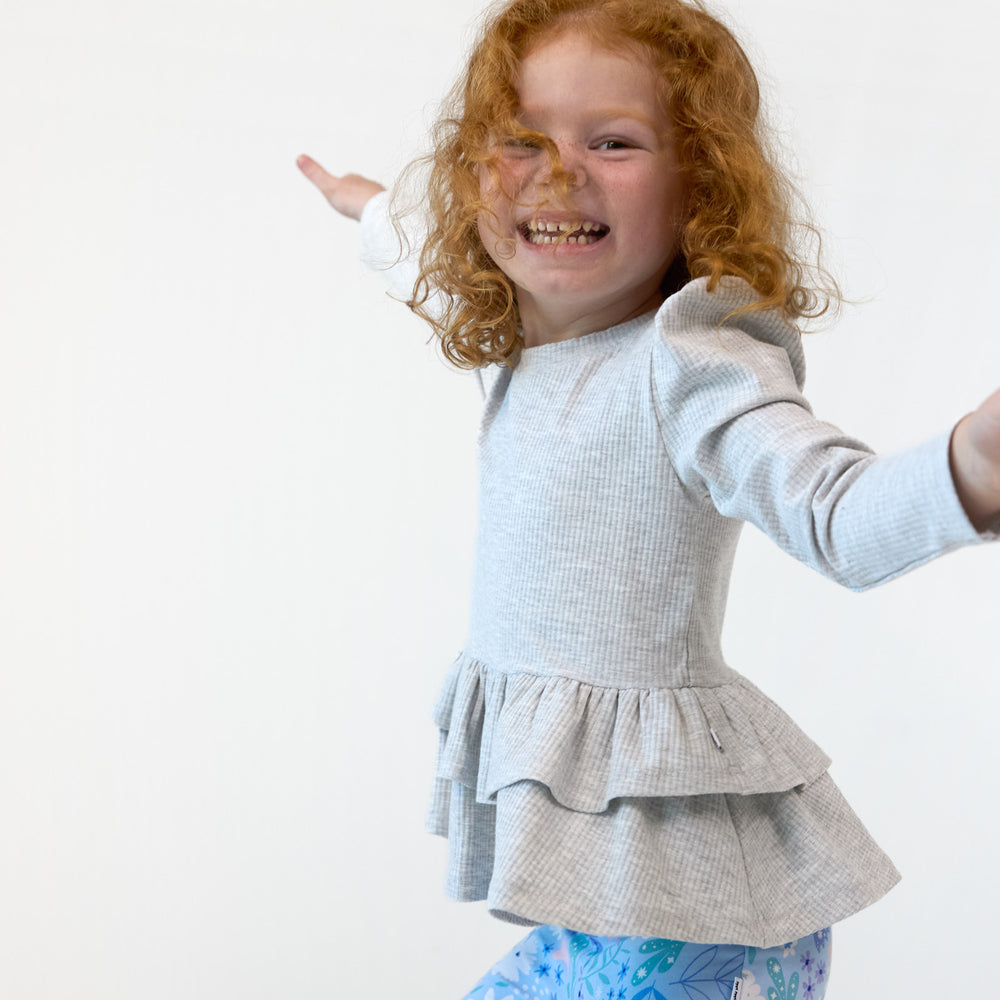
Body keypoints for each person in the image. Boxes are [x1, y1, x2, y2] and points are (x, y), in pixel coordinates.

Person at [297, 0, 1000, 996]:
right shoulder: (526, 332)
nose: (557, 170)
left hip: (690, 900)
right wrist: (372, 210)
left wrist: (969, 466)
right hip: (619, 897)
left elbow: (832, 508)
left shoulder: (687, 358)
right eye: (519, 140)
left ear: (699, 188)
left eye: (613, 141)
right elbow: (423, 254)